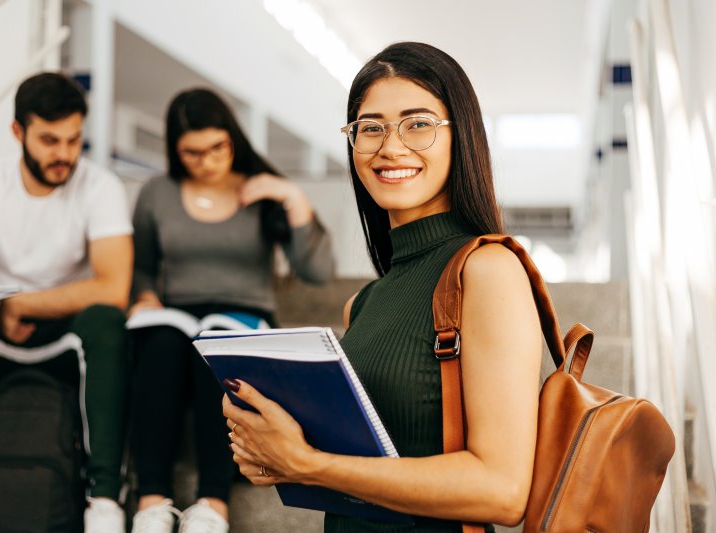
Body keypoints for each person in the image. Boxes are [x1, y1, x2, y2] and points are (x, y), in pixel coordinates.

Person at [222, 42, 544, 532]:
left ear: (462, 136)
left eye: (418, 124)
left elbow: (501, 491)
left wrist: (308, 463)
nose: (390, 147)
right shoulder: (365, 303)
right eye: (370, 128)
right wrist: (275, 454)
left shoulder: (488, 270)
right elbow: (368, 471)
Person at [0, 72, 133, 533]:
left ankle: (105, 500)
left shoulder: (100, 187)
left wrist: (25, 304)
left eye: (74, 140)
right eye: (50, 140)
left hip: (68, 341)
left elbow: (114, 287)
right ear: (18, 133)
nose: (64, 155)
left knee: (109, 322)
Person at [127, 88, 334, 533]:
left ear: (233, 139)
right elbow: (143, 267)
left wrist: (292, 198)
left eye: (217, 147)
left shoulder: (260, 189)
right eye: (193, 152)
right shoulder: (157, 193)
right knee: (161, 344)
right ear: (175, 150)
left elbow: (318, 272)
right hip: (176, 318)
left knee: (215, 346)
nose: (207, 160)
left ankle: (213, 504)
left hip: (243, 317)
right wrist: (144, 297)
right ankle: (151, 500)